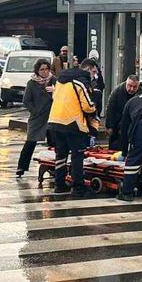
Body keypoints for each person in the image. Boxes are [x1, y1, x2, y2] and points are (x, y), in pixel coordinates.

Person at [47, 58, 100, 197]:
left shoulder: (60, 80)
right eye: (94, 71)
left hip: (55, 121)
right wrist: (94, 110)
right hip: (73, 123)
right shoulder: (81, 82)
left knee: (61, 155)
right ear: (88, 69)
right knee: (77, 156)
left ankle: (59, 185)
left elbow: (54, 97)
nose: (94, 75)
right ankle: (78, 187)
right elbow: (87, 106)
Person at [16, 58, 55, 177]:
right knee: (30, 142)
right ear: (37, 71)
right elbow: (26, 100)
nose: (45, 72)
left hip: (52, 116)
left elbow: (62, 95)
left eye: (47, 69)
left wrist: (55, 91)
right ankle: (21, 167)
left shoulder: (54, 80)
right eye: (42, 69)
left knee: (54, 143)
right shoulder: (32, 83)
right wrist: (34, 111)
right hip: (37, 117)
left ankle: (54, 167)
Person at [105, 75, 141, 150]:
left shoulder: (140, 93)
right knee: (115, 146)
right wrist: (109, 126)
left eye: (135, 87)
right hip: (117, 122)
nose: (131, 89)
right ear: (126, 83)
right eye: (129, 86)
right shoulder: (117, 92)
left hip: (132, 123)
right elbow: (110, 109)